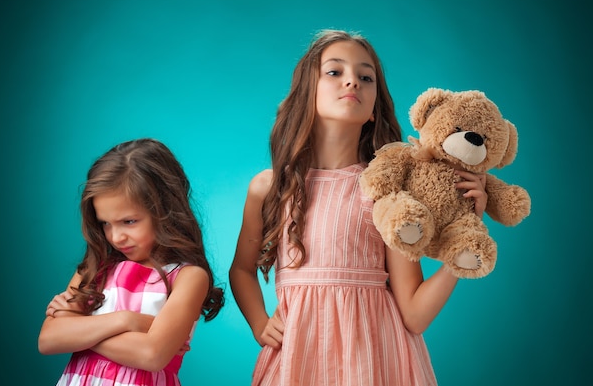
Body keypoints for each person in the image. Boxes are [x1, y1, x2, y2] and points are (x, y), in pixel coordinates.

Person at [229, 29, 488, 386]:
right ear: (308, 92)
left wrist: (463, 245)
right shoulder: (269, 187)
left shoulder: (390, 194)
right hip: (296, 361)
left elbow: (413, 314)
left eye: (366, 77)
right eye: (335, 71)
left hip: (376, 363)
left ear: (372, 110)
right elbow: (241, 270)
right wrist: (260, 323)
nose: (352, 81)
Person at [38, 138, 224, 386]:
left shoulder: (187, 277)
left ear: (165, 210)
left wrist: (78, 331)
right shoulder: (96, 267)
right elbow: (48, 339)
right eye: (105, 223)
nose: (116, 237)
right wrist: (127, 321)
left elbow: (152, 355)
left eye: (129, 221)